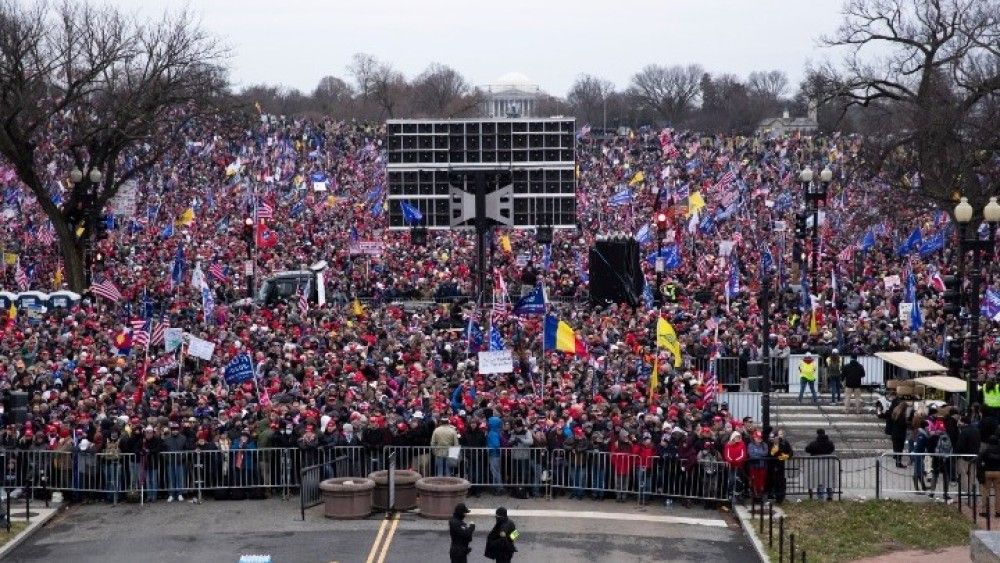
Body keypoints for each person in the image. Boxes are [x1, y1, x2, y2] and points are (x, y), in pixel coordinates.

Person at [804, 429, 835, 500]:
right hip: (827, 463)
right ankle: (830, 495)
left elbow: (807, 449)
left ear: (817, 434)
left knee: (820, 480)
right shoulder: (830, 443)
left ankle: (821, 496)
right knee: (828, 479)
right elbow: (832, 449)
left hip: (817, 464)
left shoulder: (814, 443)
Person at [980, 436, 1000, 517]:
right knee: (998, 493)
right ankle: (998, 511)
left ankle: (985, 511)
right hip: (998, 472)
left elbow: (979, 461)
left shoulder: (985, 450)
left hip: (987, 471)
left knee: (985, 492)